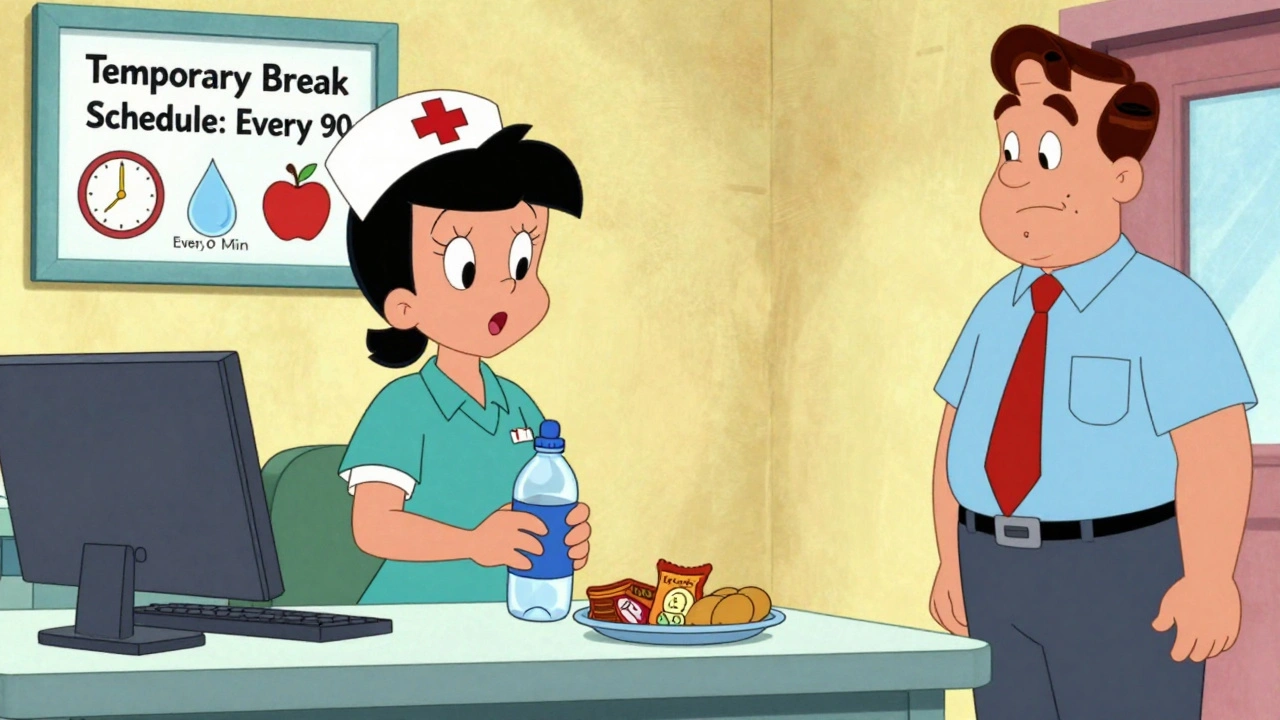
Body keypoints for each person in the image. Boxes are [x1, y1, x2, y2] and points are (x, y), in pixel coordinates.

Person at [929, 26, 1257, 720]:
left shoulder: (1170, 308)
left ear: (1122, 177)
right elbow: (955, 437)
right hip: (992, 566)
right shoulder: (995, 310)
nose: (1016, 174)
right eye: (1009, 150)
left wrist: (1207, 577)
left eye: (1045, 152)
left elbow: (1213, 446)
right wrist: (950, 559)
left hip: (1119, 573)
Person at [323, 90, 591, 604]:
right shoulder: (403, 408)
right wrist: (474, 543)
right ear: (403, 305)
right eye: (464, 270)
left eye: (520, 262)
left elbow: (533, 510)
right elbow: (374, 527)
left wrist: (566, 538)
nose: (505, 291)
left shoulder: (519, 406)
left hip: (507, 614)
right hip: (414, 626)